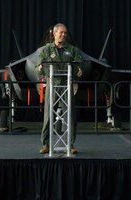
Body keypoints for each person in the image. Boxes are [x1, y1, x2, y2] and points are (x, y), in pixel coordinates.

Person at [35, 23, 83, 154]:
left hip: (66, 85)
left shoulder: (71, 49)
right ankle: (46, 144)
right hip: (53, 83)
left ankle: (70, 145)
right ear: (54, 34)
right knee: (48, 115)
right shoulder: (46, 49)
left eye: (65, 33)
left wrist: (80, 68)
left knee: (70, 115)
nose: (63, 35)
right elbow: (39, 62)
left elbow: (79, 61)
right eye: (61, 33)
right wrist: (39, 67)